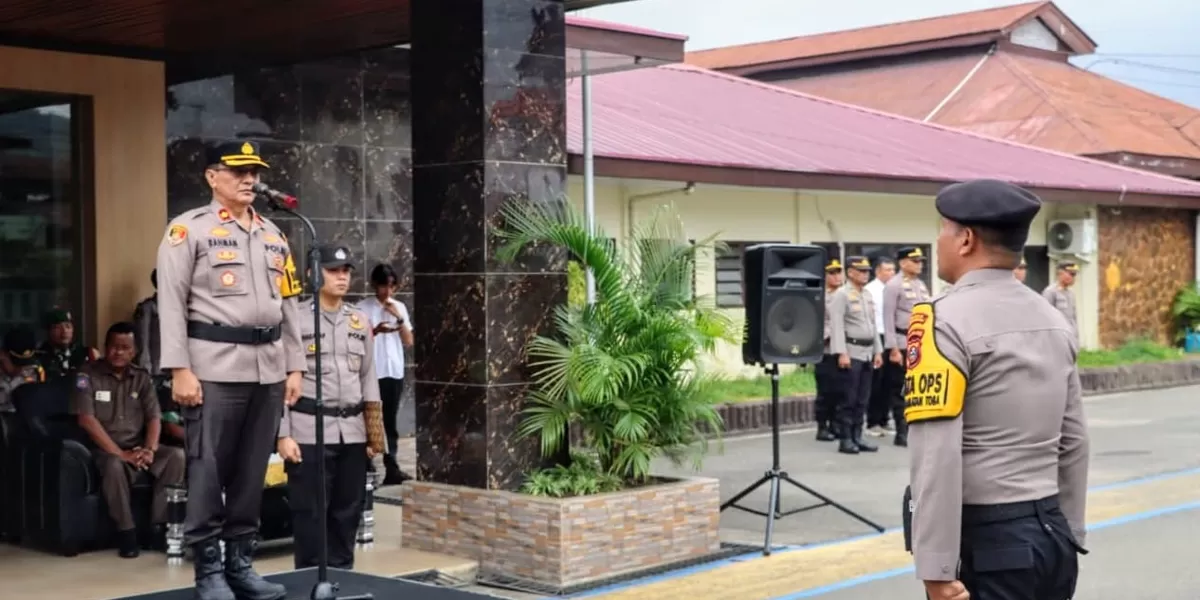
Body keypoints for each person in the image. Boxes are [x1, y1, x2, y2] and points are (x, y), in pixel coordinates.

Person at [905, 179, 1089, 600]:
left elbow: (937, 454)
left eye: (943, 230)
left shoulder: (942, 320)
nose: (939, 240)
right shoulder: (1052, 317)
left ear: (966, 239)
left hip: (990, 541)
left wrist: (936, 567)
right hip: (1052, 536)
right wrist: (1071, 529)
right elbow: (1074, 438)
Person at [156, 140, 305, 600]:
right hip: (213, 368)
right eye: (237, 171)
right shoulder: (188, 231)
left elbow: (290, 305)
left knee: (253, 469)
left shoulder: (274, 234)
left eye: (253, 172)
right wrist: (179, 367)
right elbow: (171, 303)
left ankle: (241, 564)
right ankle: (208, 571)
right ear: (211, 177)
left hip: (267, 368)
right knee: (208, 469)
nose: (248, 179)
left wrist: (295, 366)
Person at [278, 245, 386, 570]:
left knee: (347, 512)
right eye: (333, 270)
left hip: (351, 433)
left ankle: (342, 580)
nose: (341, 277)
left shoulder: (359, 321)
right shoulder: (294, 319)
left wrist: (375, 438)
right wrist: (282, 435)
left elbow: (369, 378)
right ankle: (310, 584)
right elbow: (279, 381)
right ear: (313, 274)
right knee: (310, 515)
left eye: (346, 271)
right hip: (308, 432)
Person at [72, 322, 186, 558]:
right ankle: (127, 532)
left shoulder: (142, 378)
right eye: (114, 347)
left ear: (134, 351)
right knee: (114, 465)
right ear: (106, 347)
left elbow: (154, 417)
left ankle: (157, 529)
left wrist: (150, 450)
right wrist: (119, 453)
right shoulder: (86, 375)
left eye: (125, 348)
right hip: (104, 450)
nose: (119, 352)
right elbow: (86, 419)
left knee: (175, 456)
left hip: (137, 447)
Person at [356, 264, 414, 485]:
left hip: (394, 371)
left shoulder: (398, 306)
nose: (387, 292)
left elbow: (408, 341)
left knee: (390, 420)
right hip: (373, 372)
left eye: (391, 286)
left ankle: (392, 466)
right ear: (375, 285)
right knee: (369, 419)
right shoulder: (362, 308)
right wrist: (376, 330)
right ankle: (366, 465)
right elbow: (355, 340)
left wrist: (398, 319)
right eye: (383, 286)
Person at [827, 256, 883, 455]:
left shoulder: (867, 294)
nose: (865, 274)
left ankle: (858, 436)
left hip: (867, 352)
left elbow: (873, 325)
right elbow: (837, 325)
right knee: (848, 399)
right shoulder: (841, 295)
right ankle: (846, 439)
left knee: (862, 399)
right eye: (861, 271)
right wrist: (841, 353)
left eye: (867, 271)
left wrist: (878, 350)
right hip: (851, 352)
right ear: (850, 272)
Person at [879, 247, 930, 448]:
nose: (920, 264)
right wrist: (892, 348)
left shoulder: (920, 284)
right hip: (902, 343)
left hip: (921, 342)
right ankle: (902, 431)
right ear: (902, 263)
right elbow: (888, 318)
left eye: (920, 260)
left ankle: (916, 429)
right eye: (915, 260)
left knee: (918, 388)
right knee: (901, 389)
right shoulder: (894, 285)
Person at [864, 257, 896, 437]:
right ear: (878, 272)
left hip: (891, 337)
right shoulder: (871, 290)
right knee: (876, 381)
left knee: (889, 382)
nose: (891, 273)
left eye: (893, 270)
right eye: (887, 270)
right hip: (877, 337)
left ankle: (884, 419)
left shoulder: (893, 289)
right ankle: (872, 421)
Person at [813, 258, 843, 442]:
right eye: (832, 273)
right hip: (825, 349)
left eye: (839, 272)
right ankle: (822, 426)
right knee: (825, 391)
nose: (837, 276)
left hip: (843, 350)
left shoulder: (846, 295)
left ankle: (836, 424)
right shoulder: (818, 296)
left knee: (841, 391)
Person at [38, 308, 100, 379]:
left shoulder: (87, 353)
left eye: (68, 326)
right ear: (49, 331)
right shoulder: (39, 357)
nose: (64, 331)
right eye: (58, 327)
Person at [133, 269, 162, 377]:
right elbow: (142, 338)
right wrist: (145, 368)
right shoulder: (148, 307)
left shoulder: (177, 306)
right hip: (155, 368)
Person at [1043, 262, 1080, 341]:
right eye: (1071, 274)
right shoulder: (1050, 292)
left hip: (1070, 335)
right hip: (1057, 337)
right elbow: (1045, 316)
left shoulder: (1071, 293)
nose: (1073, 277)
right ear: (1060, 273)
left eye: (1075, 275)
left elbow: (1073, 318)